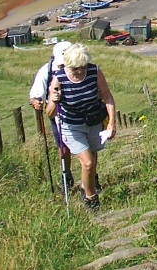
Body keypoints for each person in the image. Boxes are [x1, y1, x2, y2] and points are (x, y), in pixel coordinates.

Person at [46, 44, 116, 211]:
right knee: (88, 163)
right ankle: (91, 199)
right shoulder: (59, 79)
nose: (80, 71)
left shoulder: (94, 72)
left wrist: (112, 121)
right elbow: (49, 114)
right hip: (71, 126)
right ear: (67, 65)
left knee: (93, 155)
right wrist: (54, 100)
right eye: (76, 68)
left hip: (93, 121)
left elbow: (107, 97)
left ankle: (88, 186)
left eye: (83, 67)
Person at [29, 40, 74, 192]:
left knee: (88, 147)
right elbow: (35, 95)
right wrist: (36, 101)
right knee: (63, 147)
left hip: (81, 111)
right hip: (58, 116)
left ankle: (92, 177)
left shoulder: (80, 65)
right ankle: (66, 176)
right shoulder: (46, 71)